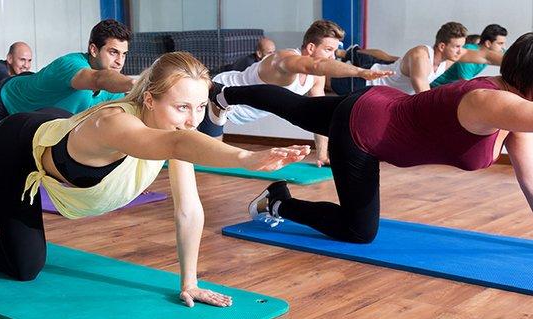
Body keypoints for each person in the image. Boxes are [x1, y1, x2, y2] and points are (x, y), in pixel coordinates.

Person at [0, 52, 310, 307]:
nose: (193, 119)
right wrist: (246, 157)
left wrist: (189, 282)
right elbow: (179, 139)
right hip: (18, 150)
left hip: (55, 124)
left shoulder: (174, 131)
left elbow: (189, 210)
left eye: (199, 106)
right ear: (149, 100)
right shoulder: (115, 123)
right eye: (181, 107)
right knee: (24, 268)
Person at [208, 32, 533, 244]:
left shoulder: (513, 114)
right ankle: (279, 202)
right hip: (364, 133)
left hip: (375, 106)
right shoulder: (491, 100)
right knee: (358, 231)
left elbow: (530, 182)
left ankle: (223, 93)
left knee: (299, 107)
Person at [200, 19, 391, 166]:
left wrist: (322, 154)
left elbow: (319, 115)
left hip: (235, 111)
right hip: (215, 95)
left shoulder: (317, 77)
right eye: (328, 50)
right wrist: (360, 72)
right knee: (209, 160)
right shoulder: (284, 60)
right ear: (310, 47)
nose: (333, 57)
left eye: (335, 51)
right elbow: (316, 64)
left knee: (207, 157)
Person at [0, 19, 133, 119]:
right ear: (93, 49)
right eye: (113, 52)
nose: (119, 61)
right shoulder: (72, 64)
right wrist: (135, 82)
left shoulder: (114, 88)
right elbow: (97, 79)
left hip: (35, 109)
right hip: (6, 100)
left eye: (124, 54)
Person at [329, 21, 503, 96]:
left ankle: (345, 55)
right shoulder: (421, 55)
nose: (460, 51)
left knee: (389, 59)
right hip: (366, 83)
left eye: (461, 46)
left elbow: (487, 57)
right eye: (457, 46)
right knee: (325, 80)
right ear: (442, 46)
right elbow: (423, 95)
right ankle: (330, 52)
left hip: (384, 84)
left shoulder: (452, 56)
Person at [431, 24, 507, 87]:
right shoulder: (469, 51)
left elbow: (509, 57)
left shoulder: (491, 54)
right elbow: (465, 85)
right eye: (500, 44)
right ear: (488, 43)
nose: (503, 47)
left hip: (448, 88)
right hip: (436, 87)